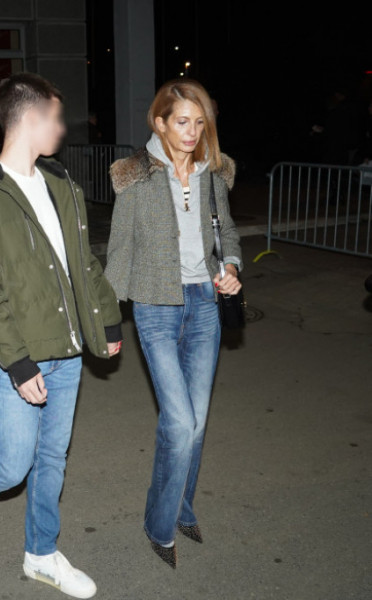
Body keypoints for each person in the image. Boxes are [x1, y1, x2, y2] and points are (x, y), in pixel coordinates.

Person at [0, 73, 123, 599]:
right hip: (18, 358)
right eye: (56, 117)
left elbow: (83, 263)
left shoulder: (60, 185)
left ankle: (41, 555)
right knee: (12, 464)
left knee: (52, 459)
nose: (62, 128)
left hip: (67, 350)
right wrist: (19, 364)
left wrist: (107, 318)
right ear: (30, 118)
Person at [105, 78, 242, 568]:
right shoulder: (135, 177)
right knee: (180, 422)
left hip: (205, 303)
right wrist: (108, 320)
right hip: (155, 307)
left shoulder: (213, 173)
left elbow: (226, 231)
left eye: (199, 122)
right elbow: (120, 249)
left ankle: (182, 506)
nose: (191, 132)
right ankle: (159, 525)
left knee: (196, 425)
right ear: (159, 121)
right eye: (182, 121)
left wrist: (231, 268)